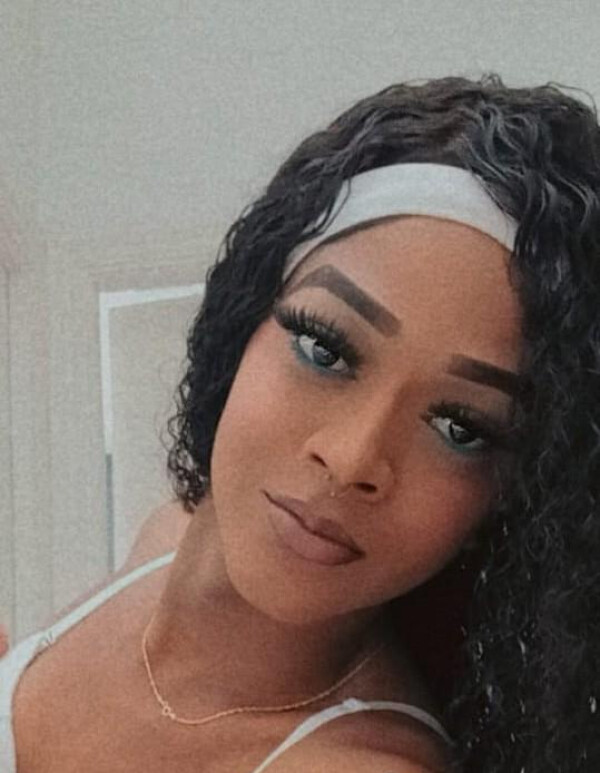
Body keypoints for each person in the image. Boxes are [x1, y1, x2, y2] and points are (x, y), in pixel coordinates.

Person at [2, 74, 599, 772]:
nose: (351, 459)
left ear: (512, 499)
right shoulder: (163, 537)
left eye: (460, 427)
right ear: (245, 321)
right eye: (325, 349)